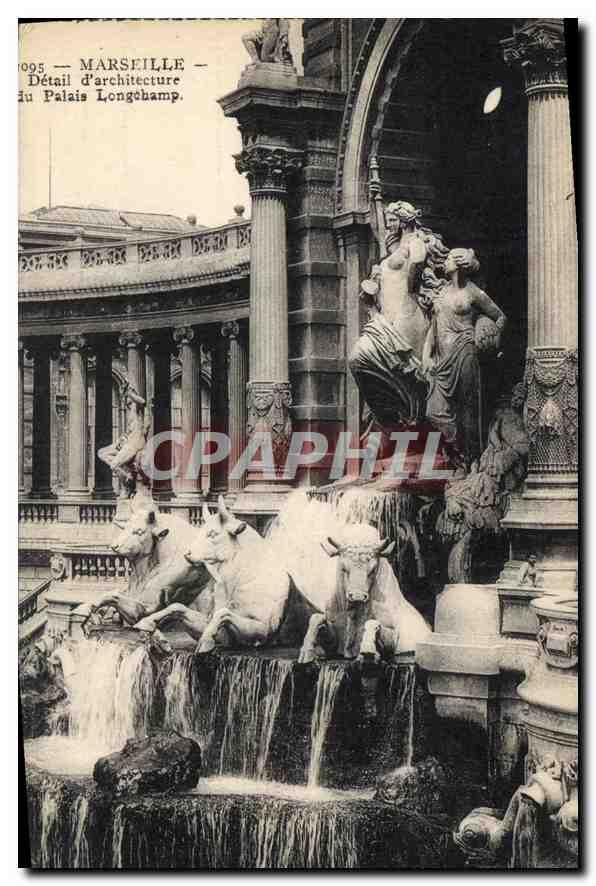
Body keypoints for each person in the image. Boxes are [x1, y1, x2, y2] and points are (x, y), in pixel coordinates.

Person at [349, 201, 447, 430]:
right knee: (358, 358)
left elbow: (417, 262)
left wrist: (411, 280)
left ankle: (412, 419)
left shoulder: (417, 242)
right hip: (385, 318)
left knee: (406, 374)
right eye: (388, 220)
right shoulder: (394, 245)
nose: (389, 224)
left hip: (407, 315)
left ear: (404, 221)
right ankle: (394, 417)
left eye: (392, 220)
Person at [422, 248, 506, 470]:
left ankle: (470, 461)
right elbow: (433, 327)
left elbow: (500, 317)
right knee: (434, 412)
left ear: (460, 263)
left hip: (466, 353)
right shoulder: (441, 292)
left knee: (469, 410)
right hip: (442, 360)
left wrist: (487, 336)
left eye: (449, 258)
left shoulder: (473, 292)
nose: (445, 261)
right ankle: (458, 452)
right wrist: (426, 355)